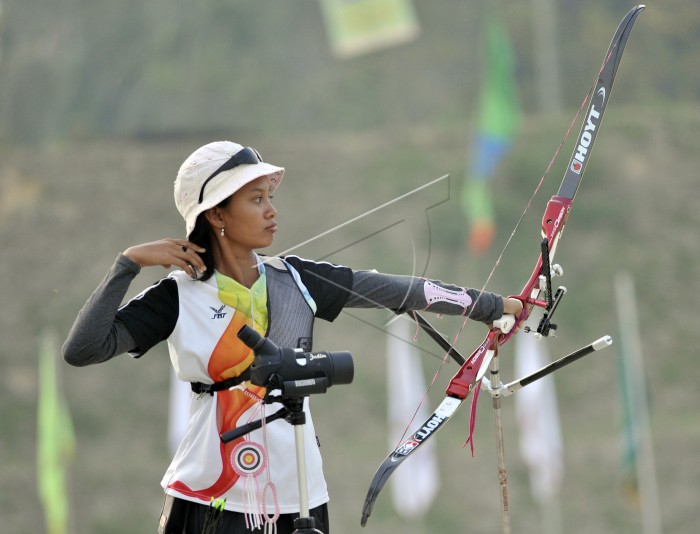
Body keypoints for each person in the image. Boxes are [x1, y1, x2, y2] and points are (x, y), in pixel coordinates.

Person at [63, 141, 523, 534]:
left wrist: (492, 306)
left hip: (297, 490)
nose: (271, 209)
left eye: (269, 197)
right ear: (217, 214)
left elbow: (398, 291)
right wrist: (128, 264)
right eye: (255, 199)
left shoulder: (296, 279)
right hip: (209, 493)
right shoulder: (176, 297)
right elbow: (84, 349)